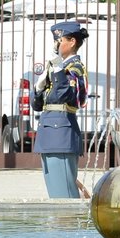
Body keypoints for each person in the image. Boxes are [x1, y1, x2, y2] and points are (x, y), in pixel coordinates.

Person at [32, 21, 90, 198]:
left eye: (59, 40)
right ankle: (61, 226)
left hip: (61, 133)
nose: (56, 45)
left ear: (72, 41)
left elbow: (67, 96)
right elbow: (37, 105)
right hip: (49, 132)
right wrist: (38, 89)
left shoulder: (75, 68)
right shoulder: (58, 67)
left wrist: (57, 70)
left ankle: (67, 227)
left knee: (63, 194)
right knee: (55, 192)